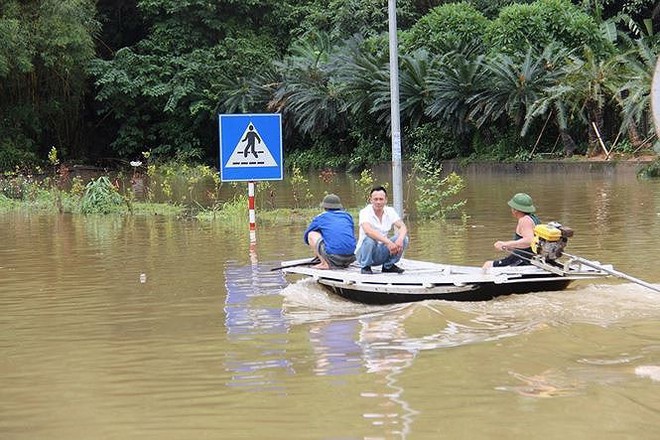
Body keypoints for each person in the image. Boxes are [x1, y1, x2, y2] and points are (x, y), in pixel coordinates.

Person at [355, 186, 409, 274]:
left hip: (381, 251)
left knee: (404, 238)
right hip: (364, 253)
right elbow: (368, 231)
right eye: (375, 199)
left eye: (381, 199)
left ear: (386, 200)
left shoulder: (390, 211)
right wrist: (388, 242)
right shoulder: (364, 212)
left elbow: (402, 226)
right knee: (369, 240)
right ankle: (365, 267)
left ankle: (388, 266)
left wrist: (400, 239)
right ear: (370, 200)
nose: (378, 202)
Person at [482, 192, 541, 270]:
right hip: (528, 257)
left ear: (515, 210)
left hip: (522, 259)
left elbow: (529, 241)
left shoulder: (524, 220)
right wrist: (511, 246)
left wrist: (505, 244)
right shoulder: (533, 218)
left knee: (487, 265)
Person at [303, 194, 356, 270]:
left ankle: (324, 263)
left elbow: (306, 236)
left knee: (312, 234)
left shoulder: (321, 218)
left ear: (324, 207)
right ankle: (326, 259)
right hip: (351, 258)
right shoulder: (347, 216)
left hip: (334, 258)